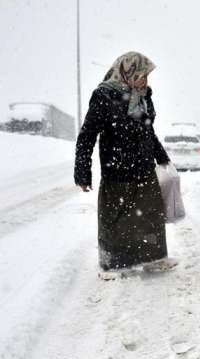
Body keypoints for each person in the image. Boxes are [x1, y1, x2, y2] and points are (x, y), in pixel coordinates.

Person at [74, 51, 177, 275]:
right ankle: (111, 264)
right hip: (116, 168)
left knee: (151, 214)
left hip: (144, 168)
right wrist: (83, 172)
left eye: (147, 76)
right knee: (116, 218)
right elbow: (87, 135)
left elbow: (148, 130)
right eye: (142, 75)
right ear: (127, 73)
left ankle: (154, 258)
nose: (145, 81)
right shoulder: (104, 95)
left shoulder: (143, 96)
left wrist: (162, 157)